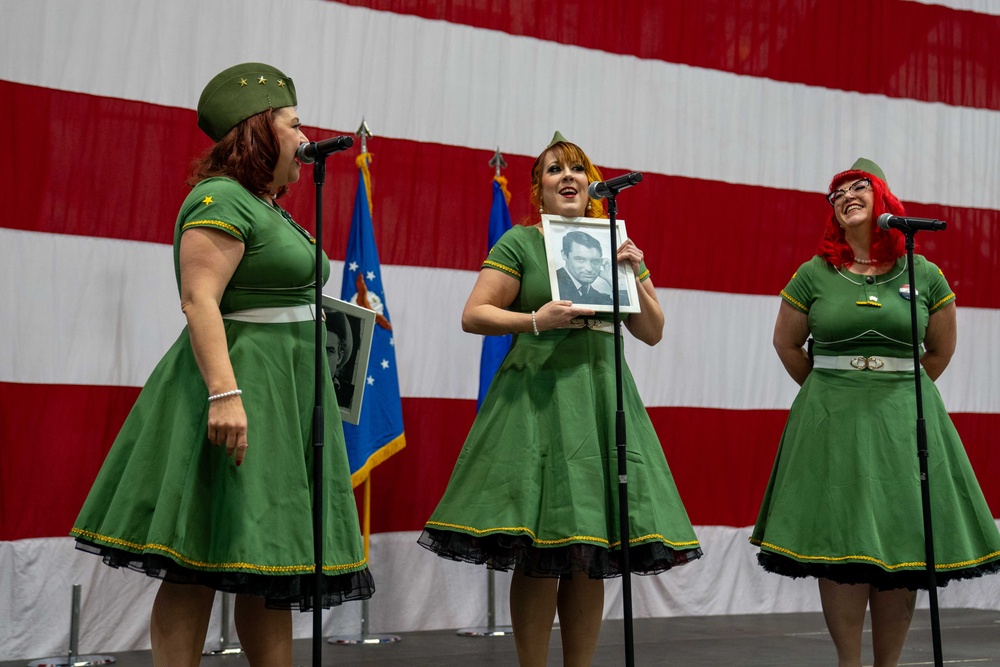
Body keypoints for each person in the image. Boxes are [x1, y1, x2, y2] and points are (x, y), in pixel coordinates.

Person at [71, 63, 374, 666]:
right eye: (293, 123)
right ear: (260, 130)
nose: (304, 135)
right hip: (241, 387)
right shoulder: (221, 198)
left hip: (284, 394)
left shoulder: (270, 205)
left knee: (270, 558)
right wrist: (224, 395)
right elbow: (199, 299)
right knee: (196, 561)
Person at [419, 133, 701, 666]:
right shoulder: (521, 244)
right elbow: (473, 313)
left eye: (576, 168)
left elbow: (653, 331)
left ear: (592, 184)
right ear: (539, 190)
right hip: (539, 399)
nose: (567, 176)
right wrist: (534, 319)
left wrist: (633, 270)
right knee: (538, 548)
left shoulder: (615, 239)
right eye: (553, 170)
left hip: (600, 395)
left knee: (587, 549)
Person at [750, 158, 1000, 667]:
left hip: (903, 420)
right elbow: (787, 344)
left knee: (900, 545)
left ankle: (888, 663)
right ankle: (850, 661)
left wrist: (897, 396)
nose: (846, 197)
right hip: (831, 421)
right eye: (837, 194)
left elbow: (940, 351)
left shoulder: (924, 272)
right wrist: (829, 391)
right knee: (841, 543)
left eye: (858, 187)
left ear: (883, 199)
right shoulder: (814, 272)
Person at [555, 230, 614, 305]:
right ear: (564, 255)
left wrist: (612, 279)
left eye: (594, 261)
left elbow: (622, 314)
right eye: (580, 259)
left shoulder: (600, 298)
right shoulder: (551, 284)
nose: (589, 269)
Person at [325, 309, 356, 408]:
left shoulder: (351, 396)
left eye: (329, 351)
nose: (322, 358)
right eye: (318, 349)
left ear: (340, 356)